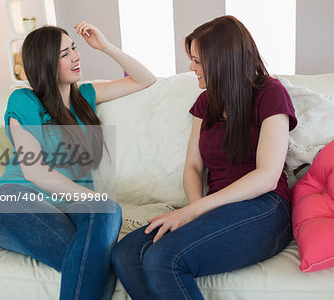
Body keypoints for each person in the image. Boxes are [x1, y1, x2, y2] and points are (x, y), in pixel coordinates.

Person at [111, 15, 297, 299]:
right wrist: (197, 209)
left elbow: (267, 176)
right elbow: (193, 167)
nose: (190, 67)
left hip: (265, 207)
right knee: (127, 253)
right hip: (216, 207)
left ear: (223, 60)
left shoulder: (271, 94)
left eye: (197, 60)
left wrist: (193, 212)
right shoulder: (206, 102)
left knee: (163, 259)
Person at [0, 22, 155, 300]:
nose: (76, 56)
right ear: (46, 64)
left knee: (106, 220)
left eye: (74, 48)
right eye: (65, 54)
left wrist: (105, 46)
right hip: (18, 201)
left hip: (67, 207)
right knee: (102, 259)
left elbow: (145, 79)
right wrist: (96, 200)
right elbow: (35, 171)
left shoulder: (85, 96)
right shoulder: (24, 100)